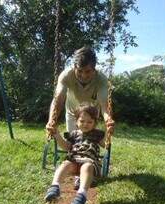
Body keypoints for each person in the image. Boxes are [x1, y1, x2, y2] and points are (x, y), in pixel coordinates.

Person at [46, 46, 115, 189]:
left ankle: (87, 170)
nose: (84, 75)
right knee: (74, 144)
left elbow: (104, 104)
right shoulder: (66, 76)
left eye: (88, 71)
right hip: (72, 114)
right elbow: (58, 99)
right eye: (80, 71)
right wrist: (52, 120)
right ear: (74, 67)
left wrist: (108, 120)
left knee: (91, 141)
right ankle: (76, 174)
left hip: (91, 115)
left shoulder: (101, 80)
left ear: (94, 69)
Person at [44, 104, 106, 204]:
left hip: (89, 160)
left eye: (90, 122)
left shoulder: (97, 134)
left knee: (86, 167)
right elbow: (66, 146)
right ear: (76, 122)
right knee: (65, 164)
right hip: (74, 159)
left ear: (95, 123)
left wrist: (108, 134)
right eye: (82, 121)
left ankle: (81, 195)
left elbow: (105, 144)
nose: (85, 124)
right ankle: (55, 187)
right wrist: (57, 135)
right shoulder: (74, 134)